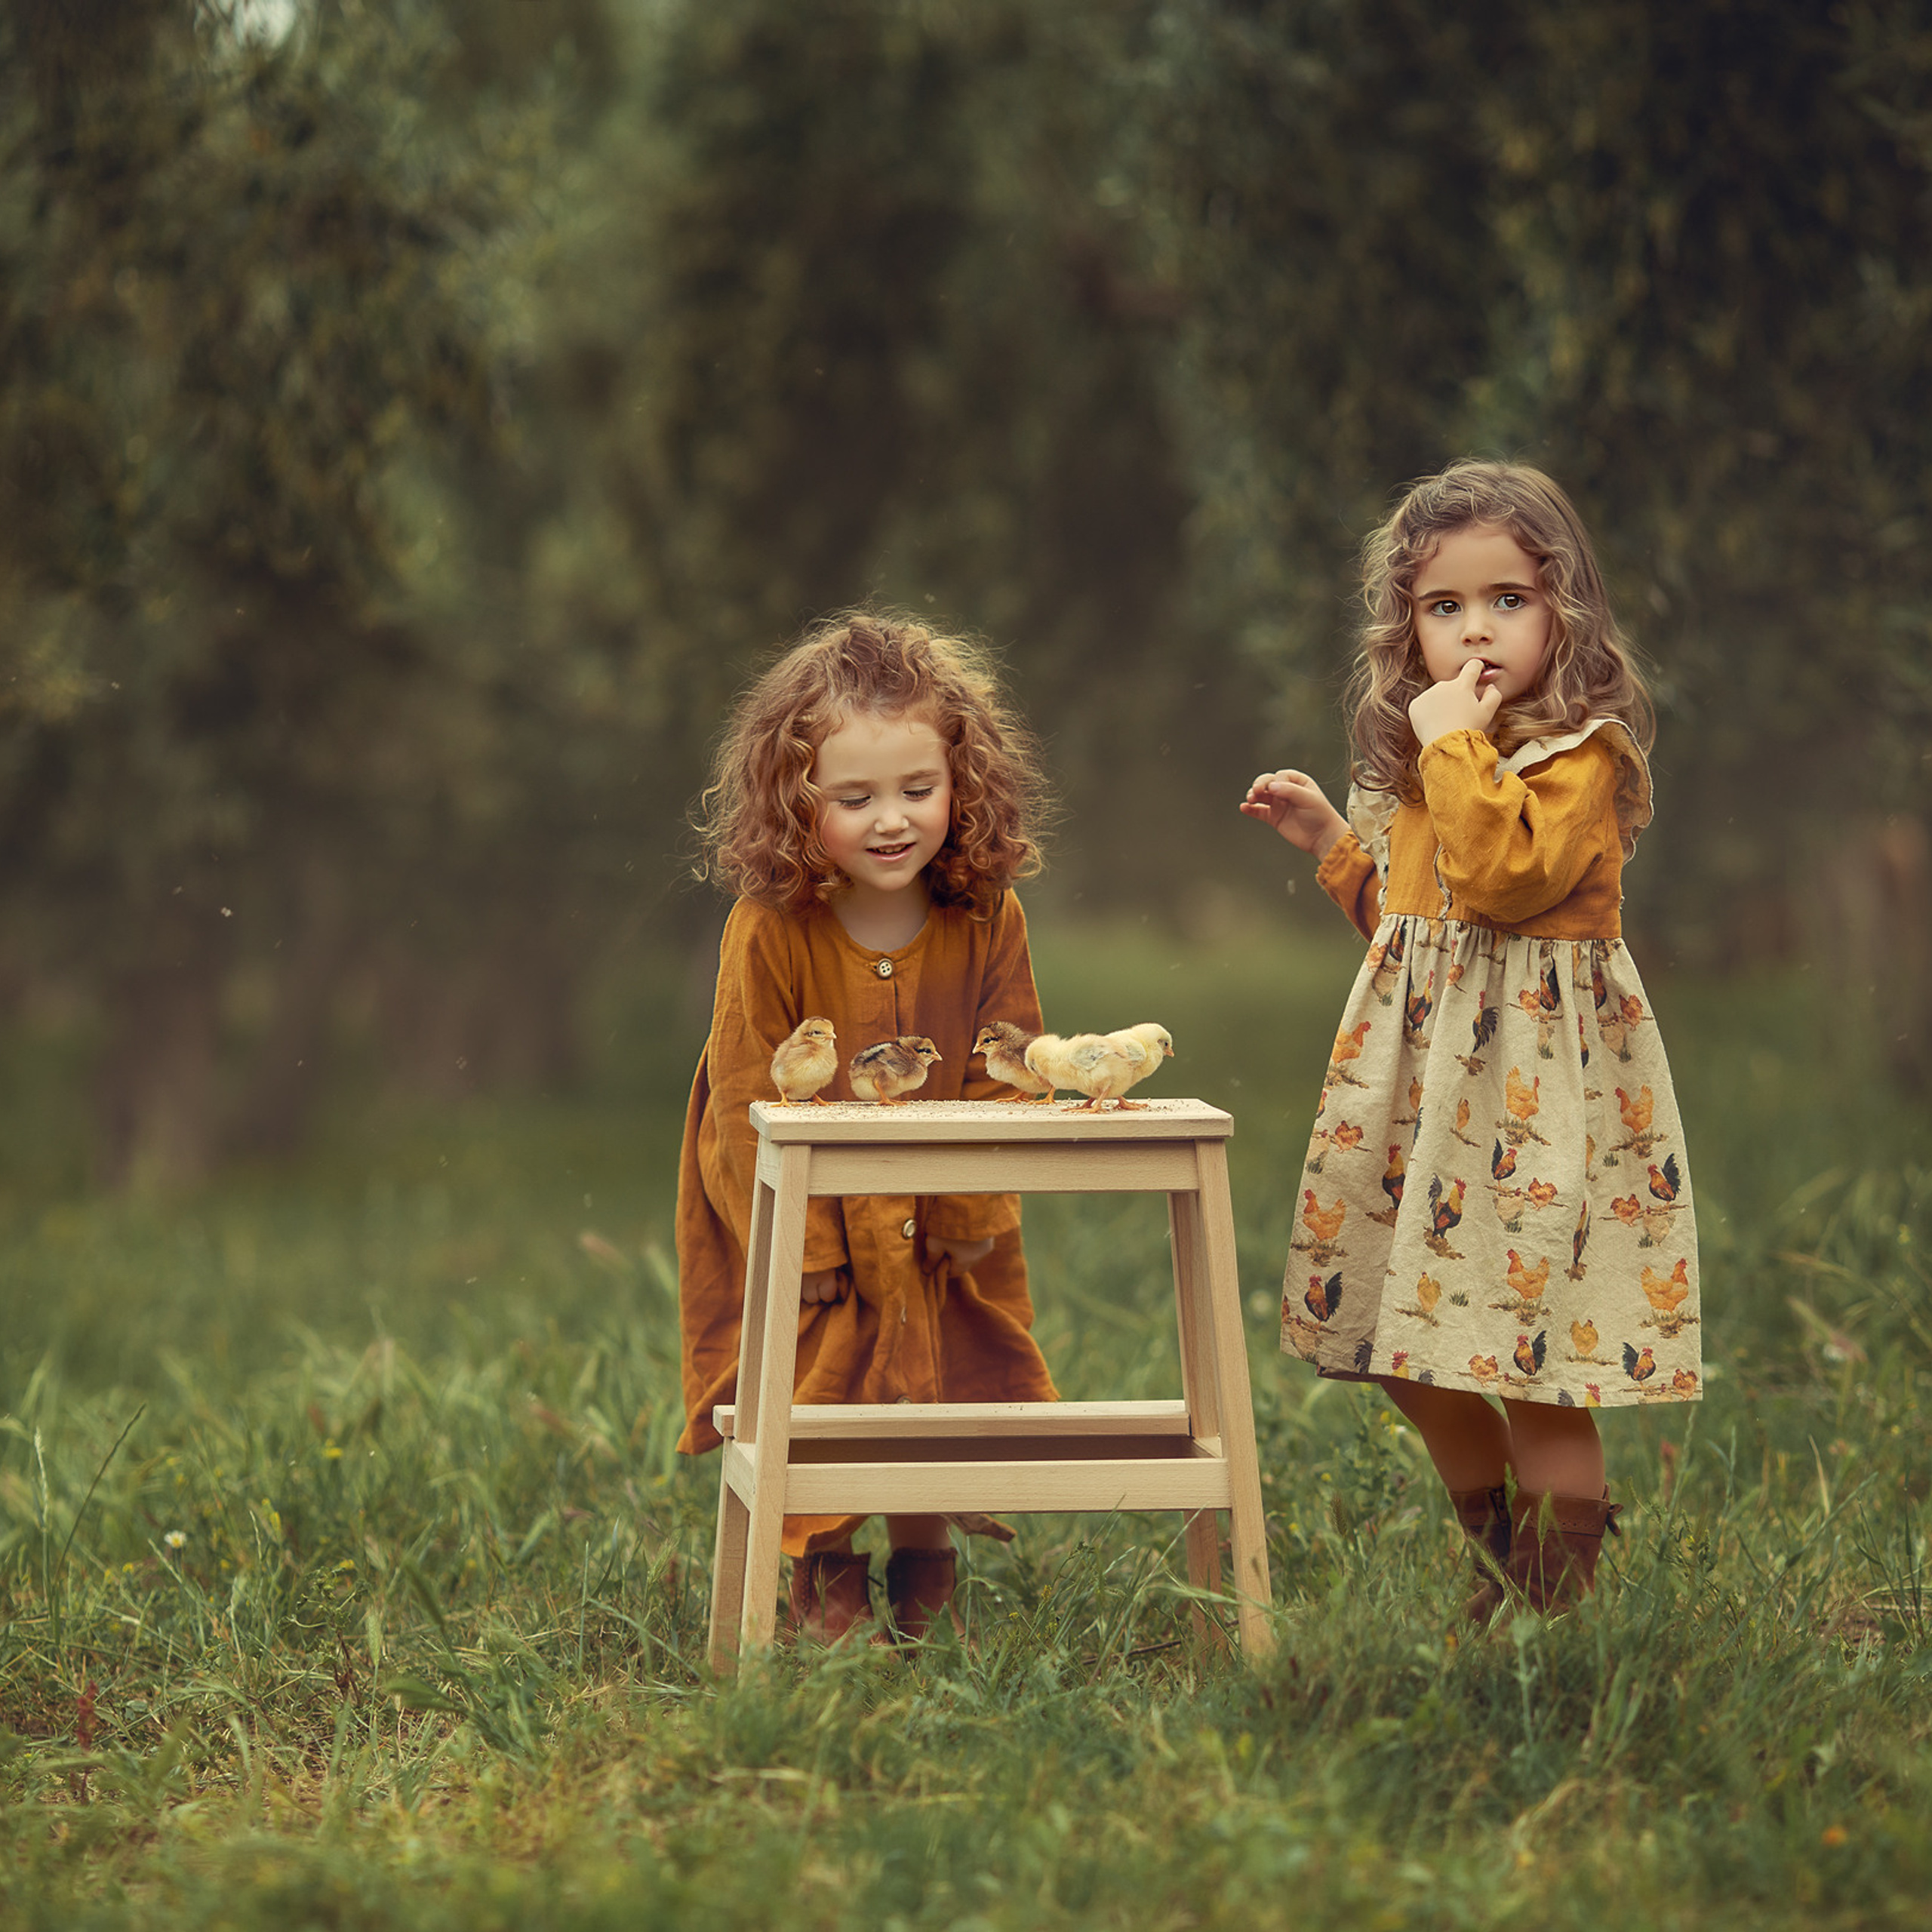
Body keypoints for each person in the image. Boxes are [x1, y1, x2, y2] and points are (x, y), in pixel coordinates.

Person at [1241, 460, 1700, 1619]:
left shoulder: (1579, 759)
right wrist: (1336, 846)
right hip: (1421, 1113)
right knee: (1397, 1351)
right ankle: (1507, 1557)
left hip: (1528, 1122)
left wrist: (1452, 746)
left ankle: (1552, 1607)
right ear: (1408, 628)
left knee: (1529, 1366)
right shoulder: (1428, 769)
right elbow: (1418, 942)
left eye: (1508, 600)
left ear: (1564, 612)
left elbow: (1501, 883)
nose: (1477, 632)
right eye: (1444, 607)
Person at [678, 611, 1057, 1641]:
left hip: (939, 1211)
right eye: (855, 800)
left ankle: (926, 1562)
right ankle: (826, 1567)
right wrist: (798, 1242)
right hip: (810, 1219)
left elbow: (1010, 1064)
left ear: (961, 781)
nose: (892, 821)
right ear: (797, 801)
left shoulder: (987, 913)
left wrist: (970, 1211)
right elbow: (743, 1095)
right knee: (827, 1381)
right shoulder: (771, 927)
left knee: (933, 1369)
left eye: (917, 790)